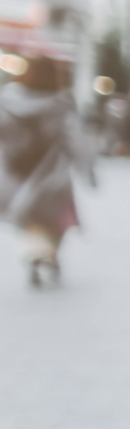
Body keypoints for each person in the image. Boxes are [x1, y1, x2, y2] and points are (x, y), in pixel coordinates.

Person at [1, 56, 93, 287]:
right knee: (55, 220)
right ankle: (47, 254)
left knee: (27, 220)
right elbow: (76, 140)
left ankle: (35, 254)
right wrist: (88, 170)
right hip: (52, 175)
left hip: (14, 174)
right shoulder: (60, 104)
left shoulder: (6, 101)